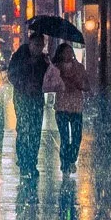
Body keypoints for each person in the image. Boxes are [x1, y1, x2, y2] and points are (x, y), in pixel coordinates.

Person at [7, 33, 50, 181]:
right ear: (30, 44)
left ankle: (32, 162)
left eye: (40, 45)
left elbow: (49, 77)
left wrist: (48, 65)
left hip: (37, 98)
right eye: (35, 45)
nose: (38, 48)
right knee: (24, 129)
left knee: (35, 131)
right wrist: (24, 85)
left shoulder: (43, 61)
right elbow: (11, 75)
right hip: (22, 97)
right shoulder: (19, 57)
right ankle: (23, 160)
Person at [43, 42, 89, 175]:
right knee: (64, 138)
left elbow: (87, 86)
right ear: (61, 53)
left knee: (76, 137)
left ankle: (71, 159)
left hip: (76, 107)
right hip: (62, 107)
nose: (69, 54)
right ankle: (65, 164)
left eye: (70, 51)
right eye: (66, 52)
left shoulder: (79, 68)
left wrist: (77, 83)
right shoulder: (56, 68)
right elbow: (48, 85)